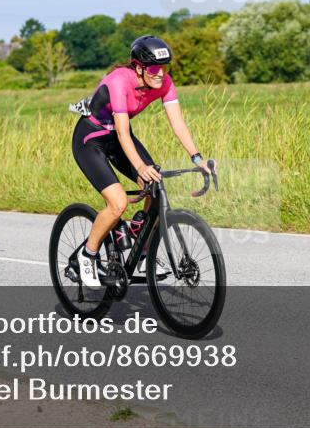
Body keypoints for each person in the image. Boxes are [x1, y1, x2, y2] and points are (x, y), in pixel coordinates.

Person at [69, 35, 207, 287]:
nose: (160, 74)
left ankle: (140, 248)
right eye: (154, 68)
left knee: (156, 187)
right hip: (91, 140)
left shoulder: (164, 83)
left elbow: (178, 124)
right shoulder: (119, 81)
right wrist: (141, 167)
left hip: (120, 140)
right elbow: (121, 131)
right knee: (118, 203)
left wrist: (197, 158)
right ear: (139, 66)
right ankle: (87, 254)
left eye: (164, 68)